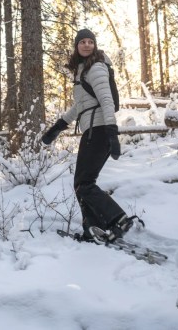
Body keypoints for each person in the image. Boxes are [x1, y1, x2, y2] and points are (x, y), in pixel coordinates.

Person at [41, 28, 135, 243]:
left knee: (84, 184)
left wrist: (112, 132)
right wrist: (58, 126)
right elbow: (81, 105)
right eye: (82, 41)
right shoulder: (83, 70)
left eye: (90, 42)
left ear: (94, 45)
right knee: (82, 183)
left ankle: (118, 218)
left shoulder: (96, 68)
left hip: (100, 130)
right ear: (76, 46)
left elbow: (106, 99)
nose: (86, 45)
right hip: (93, 130)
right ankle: (93, 229)